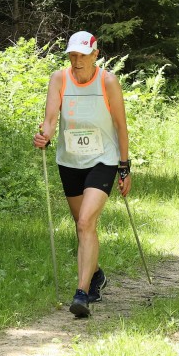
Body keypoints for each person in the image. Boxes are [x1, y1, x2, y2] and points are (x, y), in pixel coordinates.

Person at [33, 30, 131, 317]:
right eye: (72, 55)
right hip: (70, 161)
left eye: (82, 56)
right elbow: (51, 118)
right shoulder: (59, 78)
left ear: (95, 55)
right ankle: (96, 274)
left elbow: (120, 126)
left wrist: (124, 167)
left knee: (87, 221)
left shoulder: (108, 81)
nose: (76, 61)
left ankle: (82, 293)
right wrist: (45, 136)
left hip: (103, 159)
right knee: (81, 226)